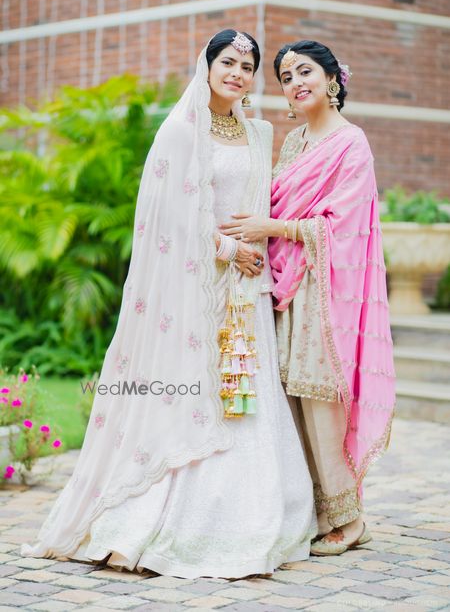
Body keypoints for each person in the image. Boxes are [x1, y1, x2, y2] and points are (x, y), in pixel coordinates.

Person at [21, 30, 315, 577]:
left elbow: (261, 203)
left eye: (248, 66)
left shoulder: (258, 132)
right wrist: (228, 249)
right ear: (205, 66)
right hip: (199, 290)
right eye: (228, 61)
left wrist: (260, 251)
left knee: (246, 398)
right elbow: (166, 218)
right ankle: (158, 520)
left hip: (247, 295)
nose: (238, 72)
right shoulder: (182, 132)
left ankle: (260, 513)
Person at [220, 40, 395, 556]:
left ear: (332, 78)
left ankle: (349, 515)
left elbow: (343, 223)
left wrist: (269, 225)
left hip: (327, 286)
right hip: (284, 282)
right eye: (286, 76)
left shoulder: (351, 142)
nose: (296, 83)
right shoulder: (294, 142)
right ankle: (313, 511)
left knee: (320, 395)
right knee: (291, 395)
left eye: (305, 71)